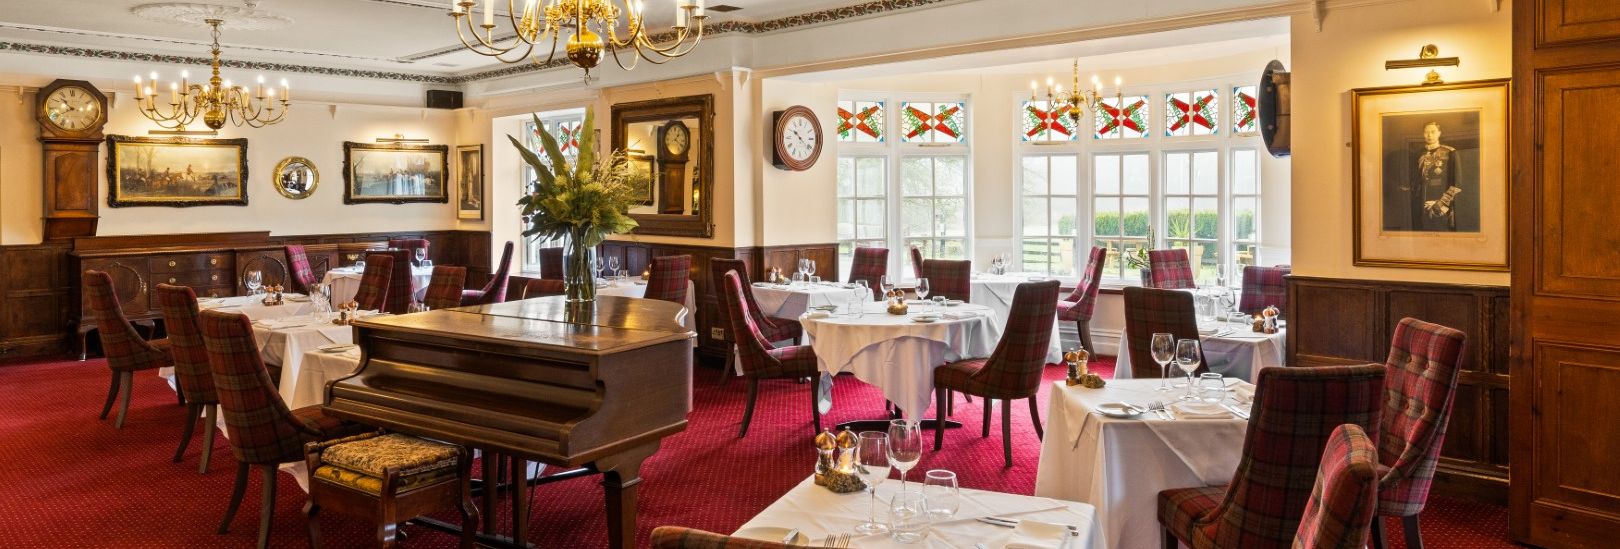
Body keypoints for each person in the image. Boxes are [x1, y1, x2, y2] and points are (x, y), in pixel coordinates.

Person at [1413, 121, 1461, 231]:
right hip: (1420, 206)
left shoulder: (1450, 153)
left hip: (1441, 206)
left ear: (1439, 133)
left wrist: (1440, 203)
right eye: (1426, 132)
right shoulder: (1418, 154)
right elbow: (1416, 182)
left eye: (1433, 132)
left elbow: (1456, 184)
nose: (1429, 135)